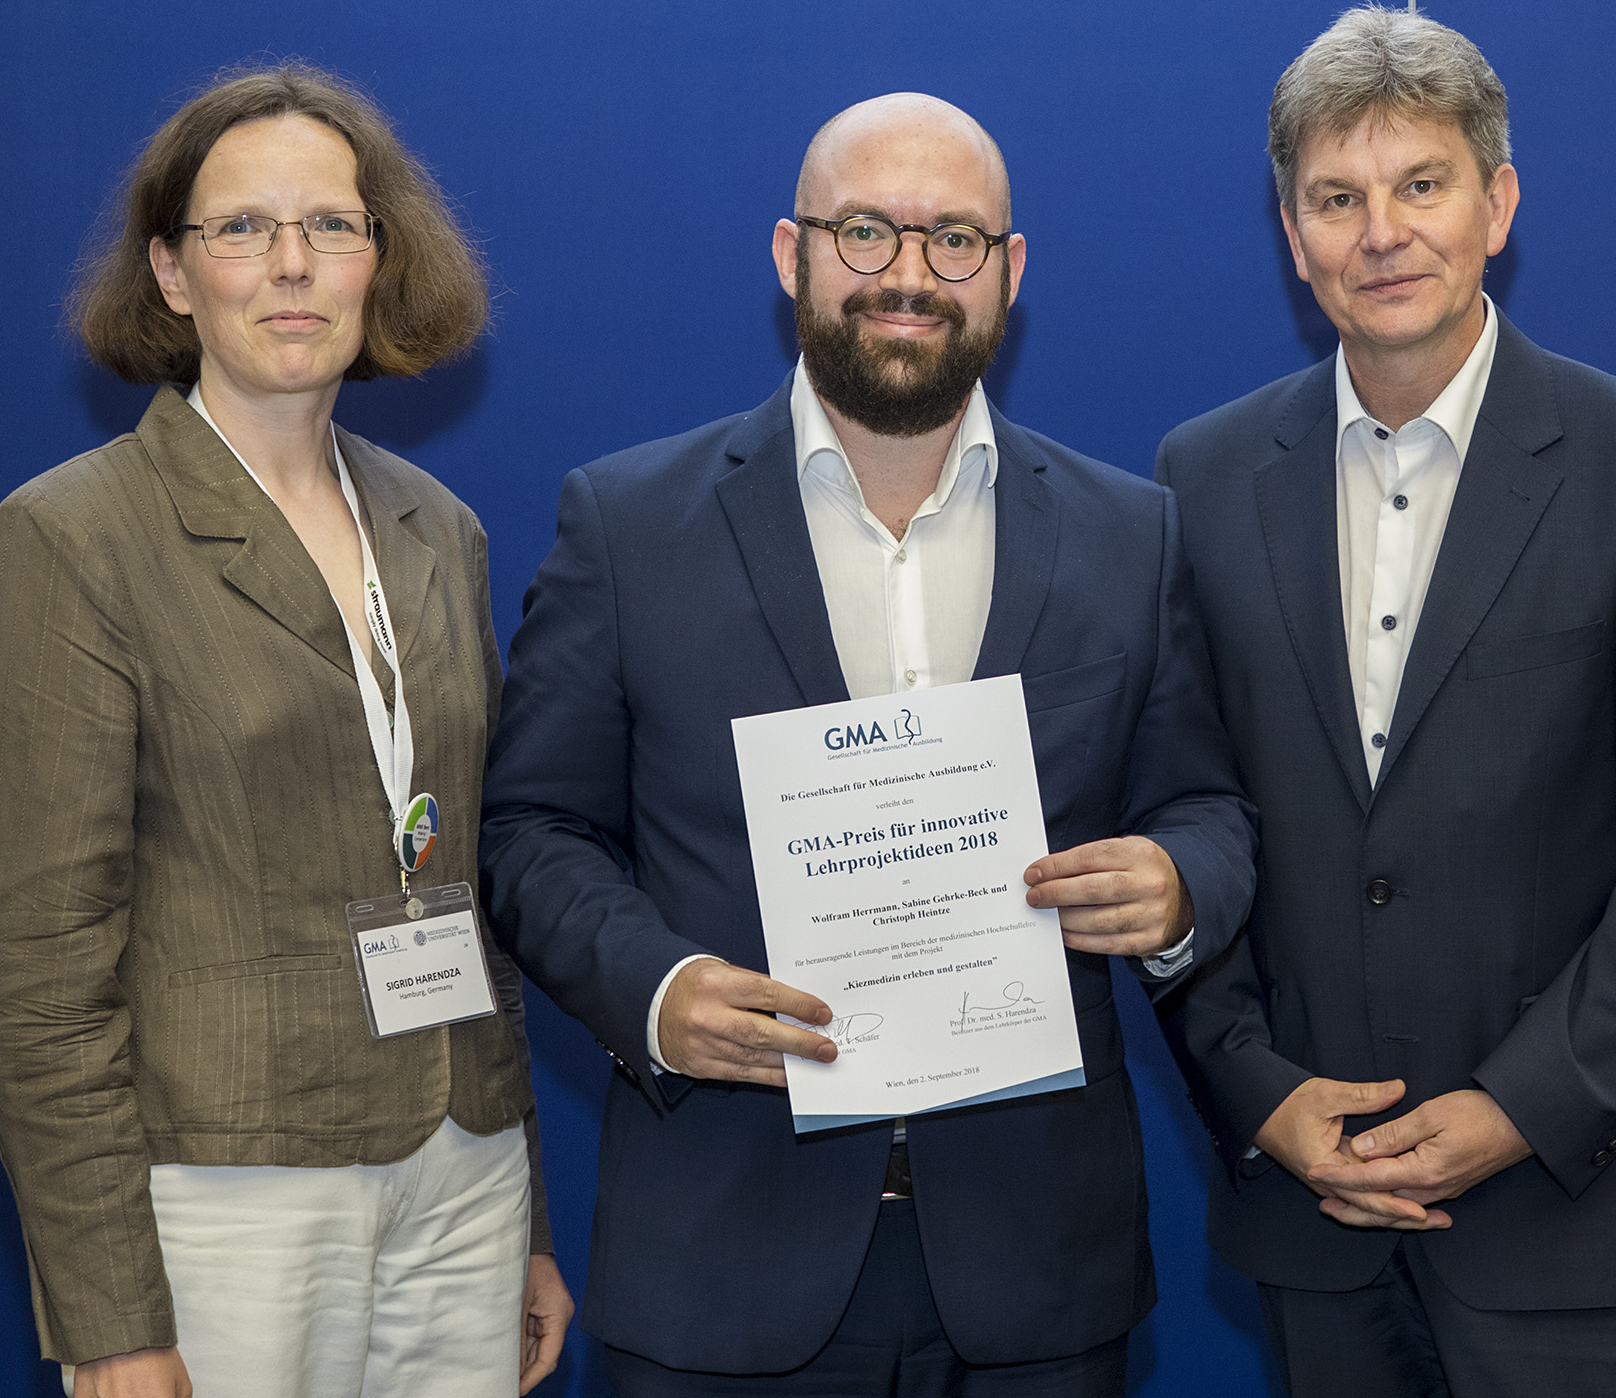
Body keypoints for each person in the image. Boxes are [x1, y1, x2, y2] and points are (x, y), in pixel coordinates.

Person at [480, 92, 1257, 1396]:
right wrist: (657, 992)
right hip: (722, 1263)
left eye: (954, 238)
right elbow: (530, 832)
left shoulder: (1131, 535)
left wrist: (1177, 885)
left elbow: (1210, 809)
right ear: (791, 255)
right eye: (864, 232)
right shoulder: (626, 526)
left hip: (1037, 1271)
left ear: (1010, 272)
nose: (909, 273)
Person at [1155, 6, 1616, 1396]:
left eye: (1421, 184)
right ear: (1292, 235)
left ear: (1497, 204)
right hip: (1319, 1224)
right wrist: (1261, 1095)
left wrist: (1519, 1107)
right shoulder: (1198, 483)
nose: (1380, 233)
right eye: (1337, 198)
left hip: (1586, 1229)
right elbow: (1189, 819)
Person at [0, 61, 572, 1398]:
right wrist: (110, 1320)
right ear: (172, 273)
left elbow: (462, 891)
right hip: (226, 1197)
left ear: (378, 261)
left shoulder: (437, 529)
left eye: (332, 226)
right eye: (242, 227)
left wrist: (523, 1212)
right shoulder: (75, 536)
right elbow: (40, 975)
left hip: (460, 1174)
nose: (292, 265)